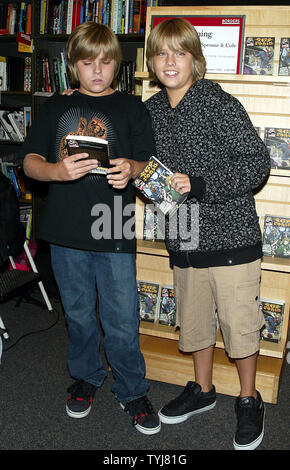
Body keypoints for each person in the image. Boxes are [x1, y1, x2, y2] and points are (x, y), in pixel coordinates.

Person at [20, 21, 161, 435]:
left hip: (114, 227)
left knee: (122, 318)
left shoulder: (134, 108)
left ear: (118, 64)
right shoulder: (56, 107)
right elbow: (28, 161)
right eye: (87, 63)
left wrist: (131, 169)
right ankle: (86, 376)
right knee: (79, 315)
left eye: (105, 62)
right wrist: (56, 171)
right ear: (72, 66)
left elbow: (149, 165)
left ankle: (132, 389)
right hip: (65, 232)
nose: (97, 71)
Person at [144, 18, 271, 450]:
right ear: (151, 62)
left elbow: (256, 163)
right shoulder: (151, 110)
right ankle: (203, 390)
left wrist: (198, 183)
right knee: (195, 323)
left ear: (195, 59)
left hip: (232, 237)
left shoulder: (220, 103)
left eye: (179, 52)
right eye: (161, 52)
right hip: (183, 236)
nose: (170, 61)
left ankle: (250, 399)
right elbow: (133, 154)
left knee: (239, 327)